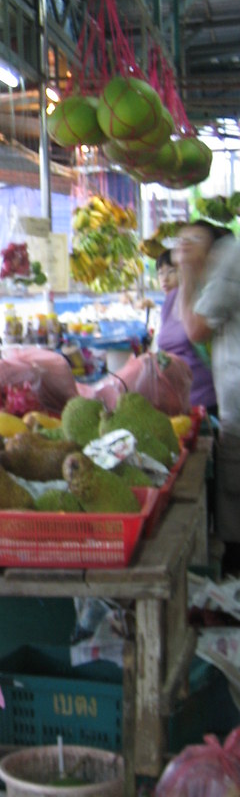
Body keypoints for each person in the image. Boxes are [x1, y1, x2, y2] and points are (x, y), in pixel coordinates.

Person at [173, 219, 240, 573]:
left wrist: (185, 275)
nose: (184, 246)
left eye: (194, 239)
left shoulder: (230, 259)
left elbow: (195, 329)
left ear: (215, 243)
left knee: (234, 485)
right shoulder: (222, 263)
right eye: (180, 240)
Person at [155, 247, 217, 415]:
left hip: (202, 396)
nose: (165, 279)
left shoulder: (196, 298)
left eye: (171, 271)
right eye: (160, 273)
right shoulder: (168, 302)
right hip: (179, 395)